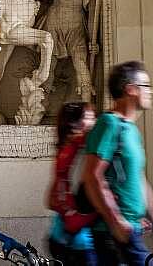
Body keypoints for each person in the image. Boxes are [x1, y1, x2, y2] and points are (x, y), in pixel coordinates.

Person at [83, 61, 153, 265]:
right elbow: (92, 176)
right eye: (146, 85)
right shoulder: (108, 124)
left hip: (130, 228)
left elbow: (140, 179)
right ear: (131, 89)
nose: (151, 91)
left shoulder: (131, 129)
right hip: (112, 232)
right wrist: (115, 219)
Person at [39, 0, 98, 101]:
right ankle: (39, 106)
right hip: (53, 21)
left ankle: (87, 107)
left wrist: (94, 40)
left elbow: (92, 14)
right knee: (47, 64)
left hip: (75, 26)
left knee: (80, 62)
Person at [46, 102, 98, 266]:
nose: (95, 121)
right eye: (90, 117)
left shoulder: (64, 152)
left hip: (61, 236)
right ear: (75, 124)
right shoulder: (80, 152)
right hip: (80, 241)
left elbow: (50, 200)